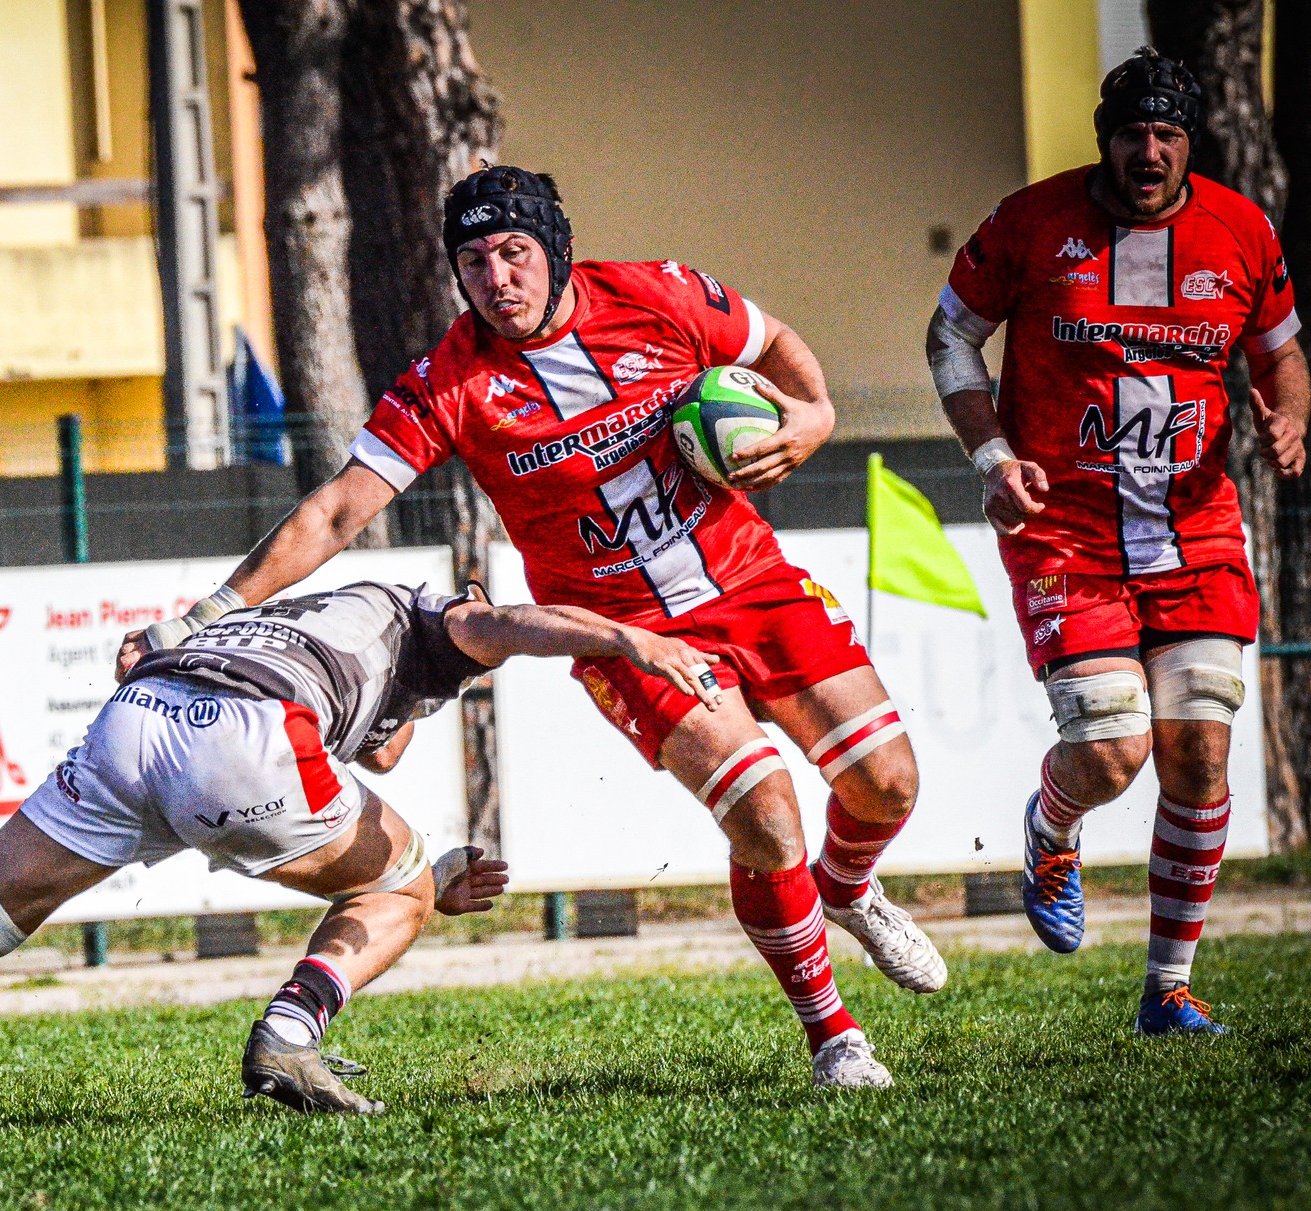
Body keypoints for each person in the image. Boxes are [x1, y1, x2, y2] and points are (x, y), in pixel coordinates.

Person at [120, 166, 949, 1089]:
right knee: (764, 811)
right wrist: (206, 616)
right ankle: (836, 1037)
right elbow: (336, 512)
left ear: (554, 250)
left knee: (886, 784)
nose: (497, 278)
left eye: (515, 253)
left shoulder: (655, 294)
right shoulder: (450, 380)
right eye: (473, 261)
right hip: (615, 628)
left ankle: (846, 886)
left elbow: (776, 341)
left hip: (751, 582)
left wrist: (815, 413)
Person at [0, 580, 725, 1144]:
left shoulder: (311, 620)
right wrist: (632, 640)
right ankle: (288, 1038)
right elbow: (512, 627)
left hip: (137, 719)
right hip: (237, 738)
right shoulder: (431, 617)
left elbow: (369, 743)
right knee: (404, 880)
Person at [926, 49, 1306, 1034]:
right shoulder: (1029, 224)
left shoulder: (1240, 230)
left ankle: (1165, 990)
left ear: (1188, 144)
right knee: (1106, 753)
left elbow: (1280, 352)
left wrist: (1288, 418)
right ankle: (1050, 830)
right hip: (1065, 529)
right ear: (1103, 138)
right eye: (1132, 132)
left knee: (1199, 756)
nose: (1148, 151)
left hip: (1196, 529)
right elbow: (948, 336)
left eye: (1167, 134)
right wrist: (991, 457)